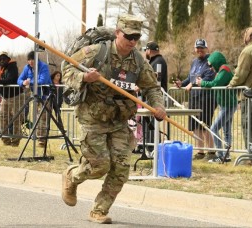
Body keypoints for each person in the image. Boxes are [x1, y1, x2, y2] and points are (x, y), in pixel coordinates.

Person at [61, 14, 166, 224]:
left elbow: (152, 87)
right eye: (128, 36)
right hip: (93, 117)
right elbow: (67, 69)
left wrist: (158, 105)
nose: (133, 41)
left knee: (121, 169)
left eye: (136, 37)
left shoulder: (138, 61)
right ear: (118, 33)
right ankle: (72, 176)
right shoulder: (97, 52)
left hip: (119, 120)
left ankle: (99, 210)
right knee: (100, 166)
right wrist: (84, 77)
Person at [174, 39, 217, 160]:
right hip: (194, 98)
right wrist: (181, 84)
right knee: (195, 126)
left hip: (206, 98)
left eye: (202, 48)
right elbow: (190, 78)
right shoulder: (194, 62)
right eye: (197, 48)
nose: (200, 50)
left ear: (206, 49)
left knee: (205, 126)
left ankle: (212, 152)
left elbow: (208, 77)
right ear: (195, 49)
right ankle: (200, 152)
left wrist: (192, 84)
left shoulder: (210, 62)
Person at [196, 51, 237, 163]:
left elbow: (215, 84)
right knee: (226, 130)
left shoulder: (225, 70)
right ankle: (226, 156)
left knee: (213, 128)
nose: (210, 68)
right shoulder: (221, 70)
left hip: (228, 105)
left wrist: (202, 83)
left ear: (216, 62)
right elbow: (216, 82)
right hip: (226, 105)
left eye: (211, 65)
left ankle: (220, 155)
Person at [228, 27, 252, 152]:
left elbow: (241, 74)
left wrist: (231, 85)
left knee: (248, 124)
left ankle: (251, 155)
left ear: (248, 37)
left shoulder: (248, 51)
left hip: (250, 95)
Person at [0, 51, 24, 147]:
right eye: (0, 59)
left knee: (16, 119)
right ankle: (6, 140)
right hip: (4, 97)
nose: (2, 60)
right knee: (2, 118)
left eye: (4, 58)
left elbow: (10, 80)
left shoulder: (12, 66)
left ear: (8, 59)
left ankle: (15, 141)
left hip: (16, 96)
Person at [17, 51, 52, 147]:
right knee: (37, 117)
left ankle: (42, 139)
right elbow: (19, 79)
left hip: (46, 95)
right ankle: (37, 136)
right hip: (35, 96)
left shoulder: (43, 67)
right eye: (29, 60)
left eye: (32, 59)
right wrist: (23, 83)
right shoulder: (26, 68)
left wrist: (29, 82)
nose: (30, 62)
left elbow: (43, 80)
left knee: (43, 117)